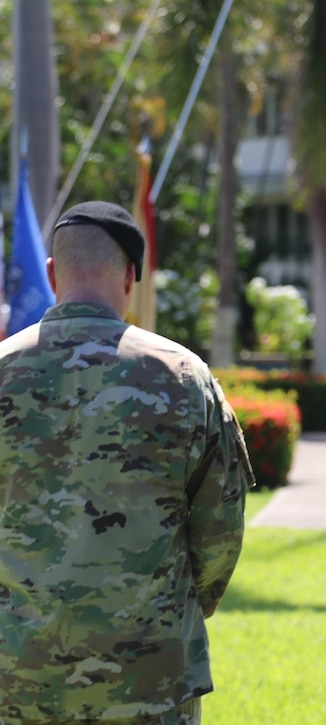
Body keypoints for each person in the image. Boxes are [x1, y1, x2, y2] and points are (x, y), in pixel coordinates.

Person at [0, 201, 252, 723]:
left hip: (18, 677)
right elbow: (220, 529)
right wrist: (174, 606)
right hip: (150, 678)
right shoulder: (185, 376)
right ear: (132, 275)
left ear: (52, 272)